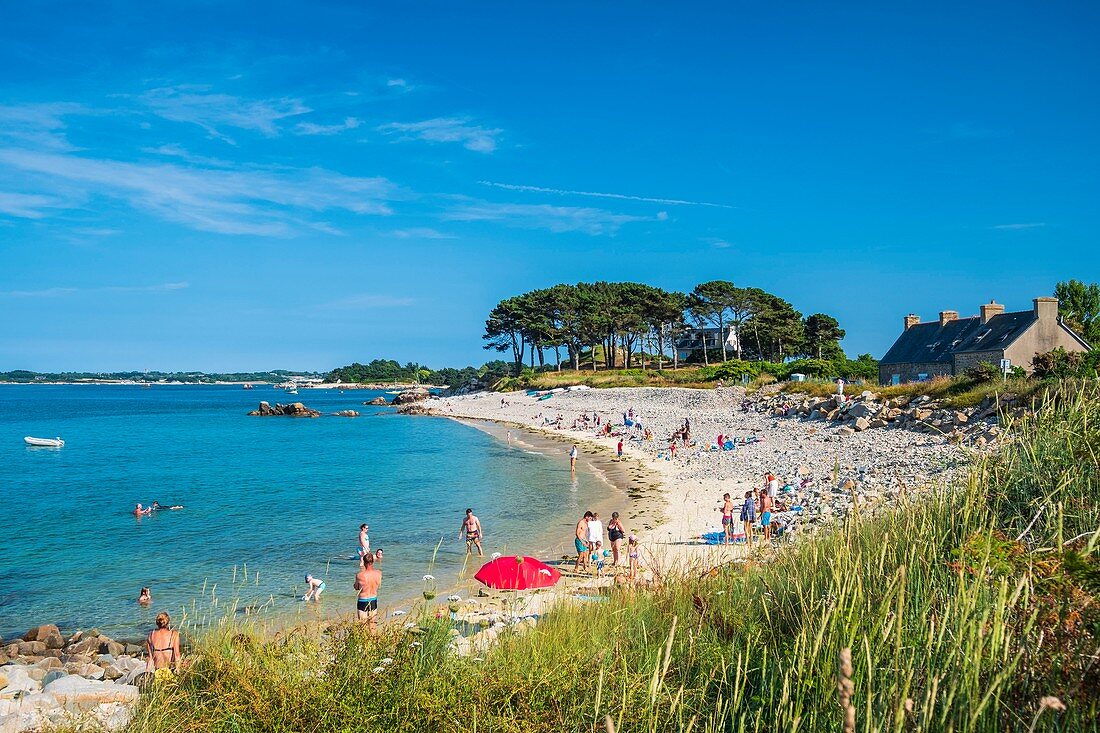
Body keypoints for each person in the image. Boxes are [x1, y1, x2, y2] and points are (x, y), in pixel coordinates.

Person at [354, 552, 382, 632]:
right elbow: (378, 584)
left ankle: (364, 642)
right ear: (373, 562)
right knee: (372, 624)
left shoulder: (360, 575)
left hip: (363, 600)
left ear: (364, 562)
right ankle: (373, 641)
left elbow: (357, 587)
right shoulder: (379, 573)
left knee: (362, 625)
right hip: (373, 599)